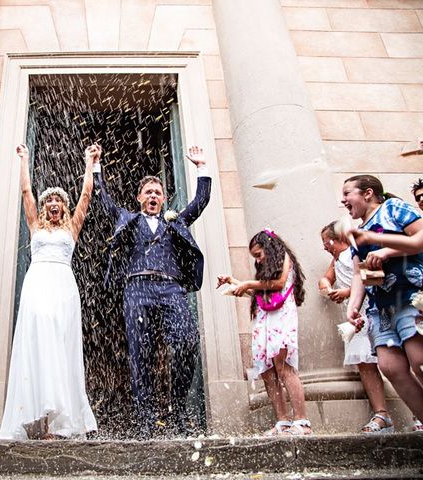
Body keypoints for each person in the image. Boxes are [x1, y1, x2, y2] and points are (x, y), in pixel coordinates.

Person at [93, 145, 211, 438]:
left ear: (163, 199)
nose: (153, 196)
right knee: (140, 353)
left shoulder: (175, 222)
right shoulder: (127, 220)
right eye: (148, 192)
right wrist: (95, 167)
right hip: (137, 288)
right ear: (139, 198)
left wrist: (202, 167)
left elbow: (201, 201)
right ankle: (145, 418)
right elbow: (102, 200)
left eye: (158, 192)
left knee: (186, 340)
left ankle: (179, 408)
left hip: (171, 287)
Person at [0, 143, 99, 440]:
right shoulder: (34, 225)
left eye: (58, 200)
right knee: (38, 340)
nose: (54, 203)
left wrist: (89, 162)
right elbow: (26, 192)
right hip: (38, 283)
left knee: (59, 343)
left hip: (63, 287)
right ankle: (35, 419)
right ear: (44, 207)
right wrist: (24, 159)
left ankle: (57, 422)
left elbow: (86, 195)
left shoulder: (72, 228)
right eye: (50, 200)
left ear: (63, 207)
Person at [341, 174, 423, 434]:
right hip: (381, 307)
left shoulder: (394, 209)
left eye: (347, 193)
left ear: (367, 193)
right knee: (391, 366)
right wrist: (353, 305)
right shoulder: (358, 232)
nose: (342, 200)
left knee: (419, 360)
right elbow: (358, 274)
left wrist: (384, 248)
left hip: (411, 295)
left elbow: (420, 238)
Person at [217, 229, 311, 436]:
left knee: (284, 367)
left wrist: (249, 283)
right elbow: (259, 294)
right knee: (267, 372)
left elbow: (278, 284)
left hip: (281, 319)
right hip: (264, 321)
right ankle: (283, 421)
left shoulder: (284, 257)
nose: (258, 261)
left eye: (259, 255)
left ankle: (302, 421)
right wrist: (235, 283)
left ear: (270, 248)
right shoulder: (264, 272)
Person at [319, 222, 393, 434]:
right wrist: (326, 285)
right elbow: (325, 278)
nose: (324, 246)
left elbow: (371, 277)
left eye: (326, 241)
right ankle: (382, 414)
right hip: (354, 316)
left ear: (338, 238)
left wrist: (347, 292)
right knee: (363, 362)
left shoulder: (357, 251)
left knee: (391, 359)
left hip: (372, 309)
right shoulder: (336, 259)